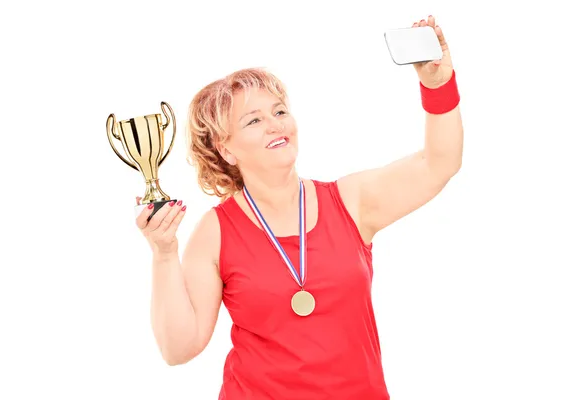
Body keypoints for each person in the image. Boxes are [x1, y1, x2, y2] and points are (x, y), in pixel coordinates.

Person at [136, 15, 462, 400]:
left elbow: (438, 164)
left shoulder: (351, 201)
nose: (275, 125)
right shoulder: (216, 231)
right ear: (225, 148)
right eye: (254, 120)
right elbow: (180, 347)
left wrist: (437, 84)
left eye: (279, 112)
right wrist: (164, 254)